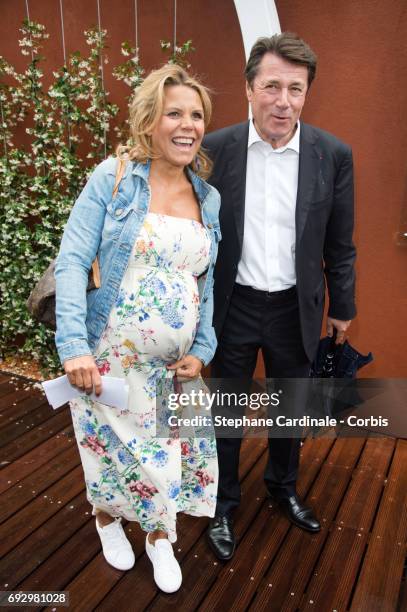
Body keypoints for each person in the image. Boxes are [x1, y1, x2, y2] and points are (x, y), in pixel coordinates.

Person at [55, 64, 221, 592]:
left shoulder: (208, 197)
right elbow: (72, 261)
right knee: (110, 452)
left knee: (169, 456)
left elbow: (207, 282)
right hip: (109, 358)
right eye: (174, 113)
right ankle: (109, 522)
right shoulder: (115, 178)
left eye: (196, 115)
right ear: (150, 120)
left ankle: (157, 536)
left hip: (173, 367)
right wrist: (74, 345)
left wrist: (203, 344)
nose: (187, 125)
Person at [204, 32, 356, 560]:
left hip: (297, 306)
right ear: (249, 89)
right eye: (272, 86)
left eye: (296, 88)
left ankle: (282, 487)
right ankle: (221, 502)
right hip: (232, 305)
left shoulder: (332, 154)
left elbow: (340, 242)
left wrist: (344, 309)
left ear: (307, 93)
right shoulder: (214, 148)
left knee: (290, 408)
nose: (284, 101)